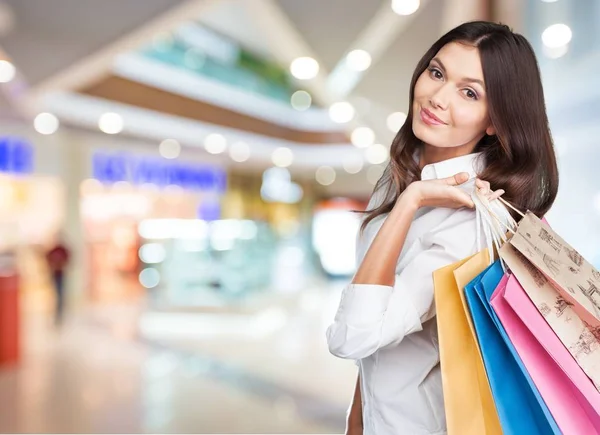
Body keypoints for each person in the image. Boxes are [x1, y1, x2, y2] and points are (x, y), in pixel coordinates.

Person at [326, 21, 559, 435]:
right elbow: (378, 353)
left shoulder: (470, 218)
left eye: (469, 93)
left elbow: (354, 336)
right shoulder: (406, 173)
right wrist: (355, 419)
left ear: (494, 120)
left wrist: (410, 202)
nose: (437, 98)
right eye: (437, 73)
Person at [45, 234, 71, 326]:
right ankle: (55, 312)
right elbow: (47, 257)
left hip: (61, 274)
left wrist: (62, 265)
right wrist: (52, 265)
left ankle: (59, 313)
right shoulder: (53, 250)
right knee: (55, 294)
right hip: (54, 273)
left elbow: (69, 257)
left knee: (60, 294)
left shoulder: (62, 250)